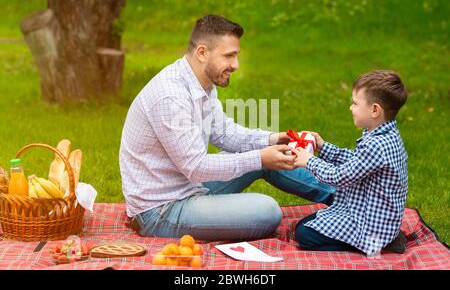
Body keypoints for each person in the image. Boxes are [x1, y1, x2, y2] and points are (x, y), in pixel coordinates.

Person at [119, 14, 335, 241]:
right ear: (202, 52)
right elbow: (195, 166)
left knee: (267, 156)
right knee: (267, 211)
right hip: (161, 209)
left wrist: (272, 140)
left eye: (236, 55)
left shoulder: (200, 82)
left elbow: (223, 133)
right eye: (229, 56)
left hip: (188, 185)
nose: (236, 65)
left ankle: (349, 198)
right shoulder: (170, 96)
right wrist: (260, 158)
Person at [292, 70, 408, 256]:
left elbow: (339, 177)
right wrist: (323, 147)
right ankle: (385, 238)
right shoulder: (383, 134)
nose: (350, 108)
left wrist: (309, 161)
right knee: (303, 226)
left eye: (355, 103)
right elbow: (355, 161)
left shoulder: (377, 145)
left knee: (304, 235)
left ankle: (371, 244)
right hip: (365, 211)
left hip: (369, 224)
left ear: (375, 110)